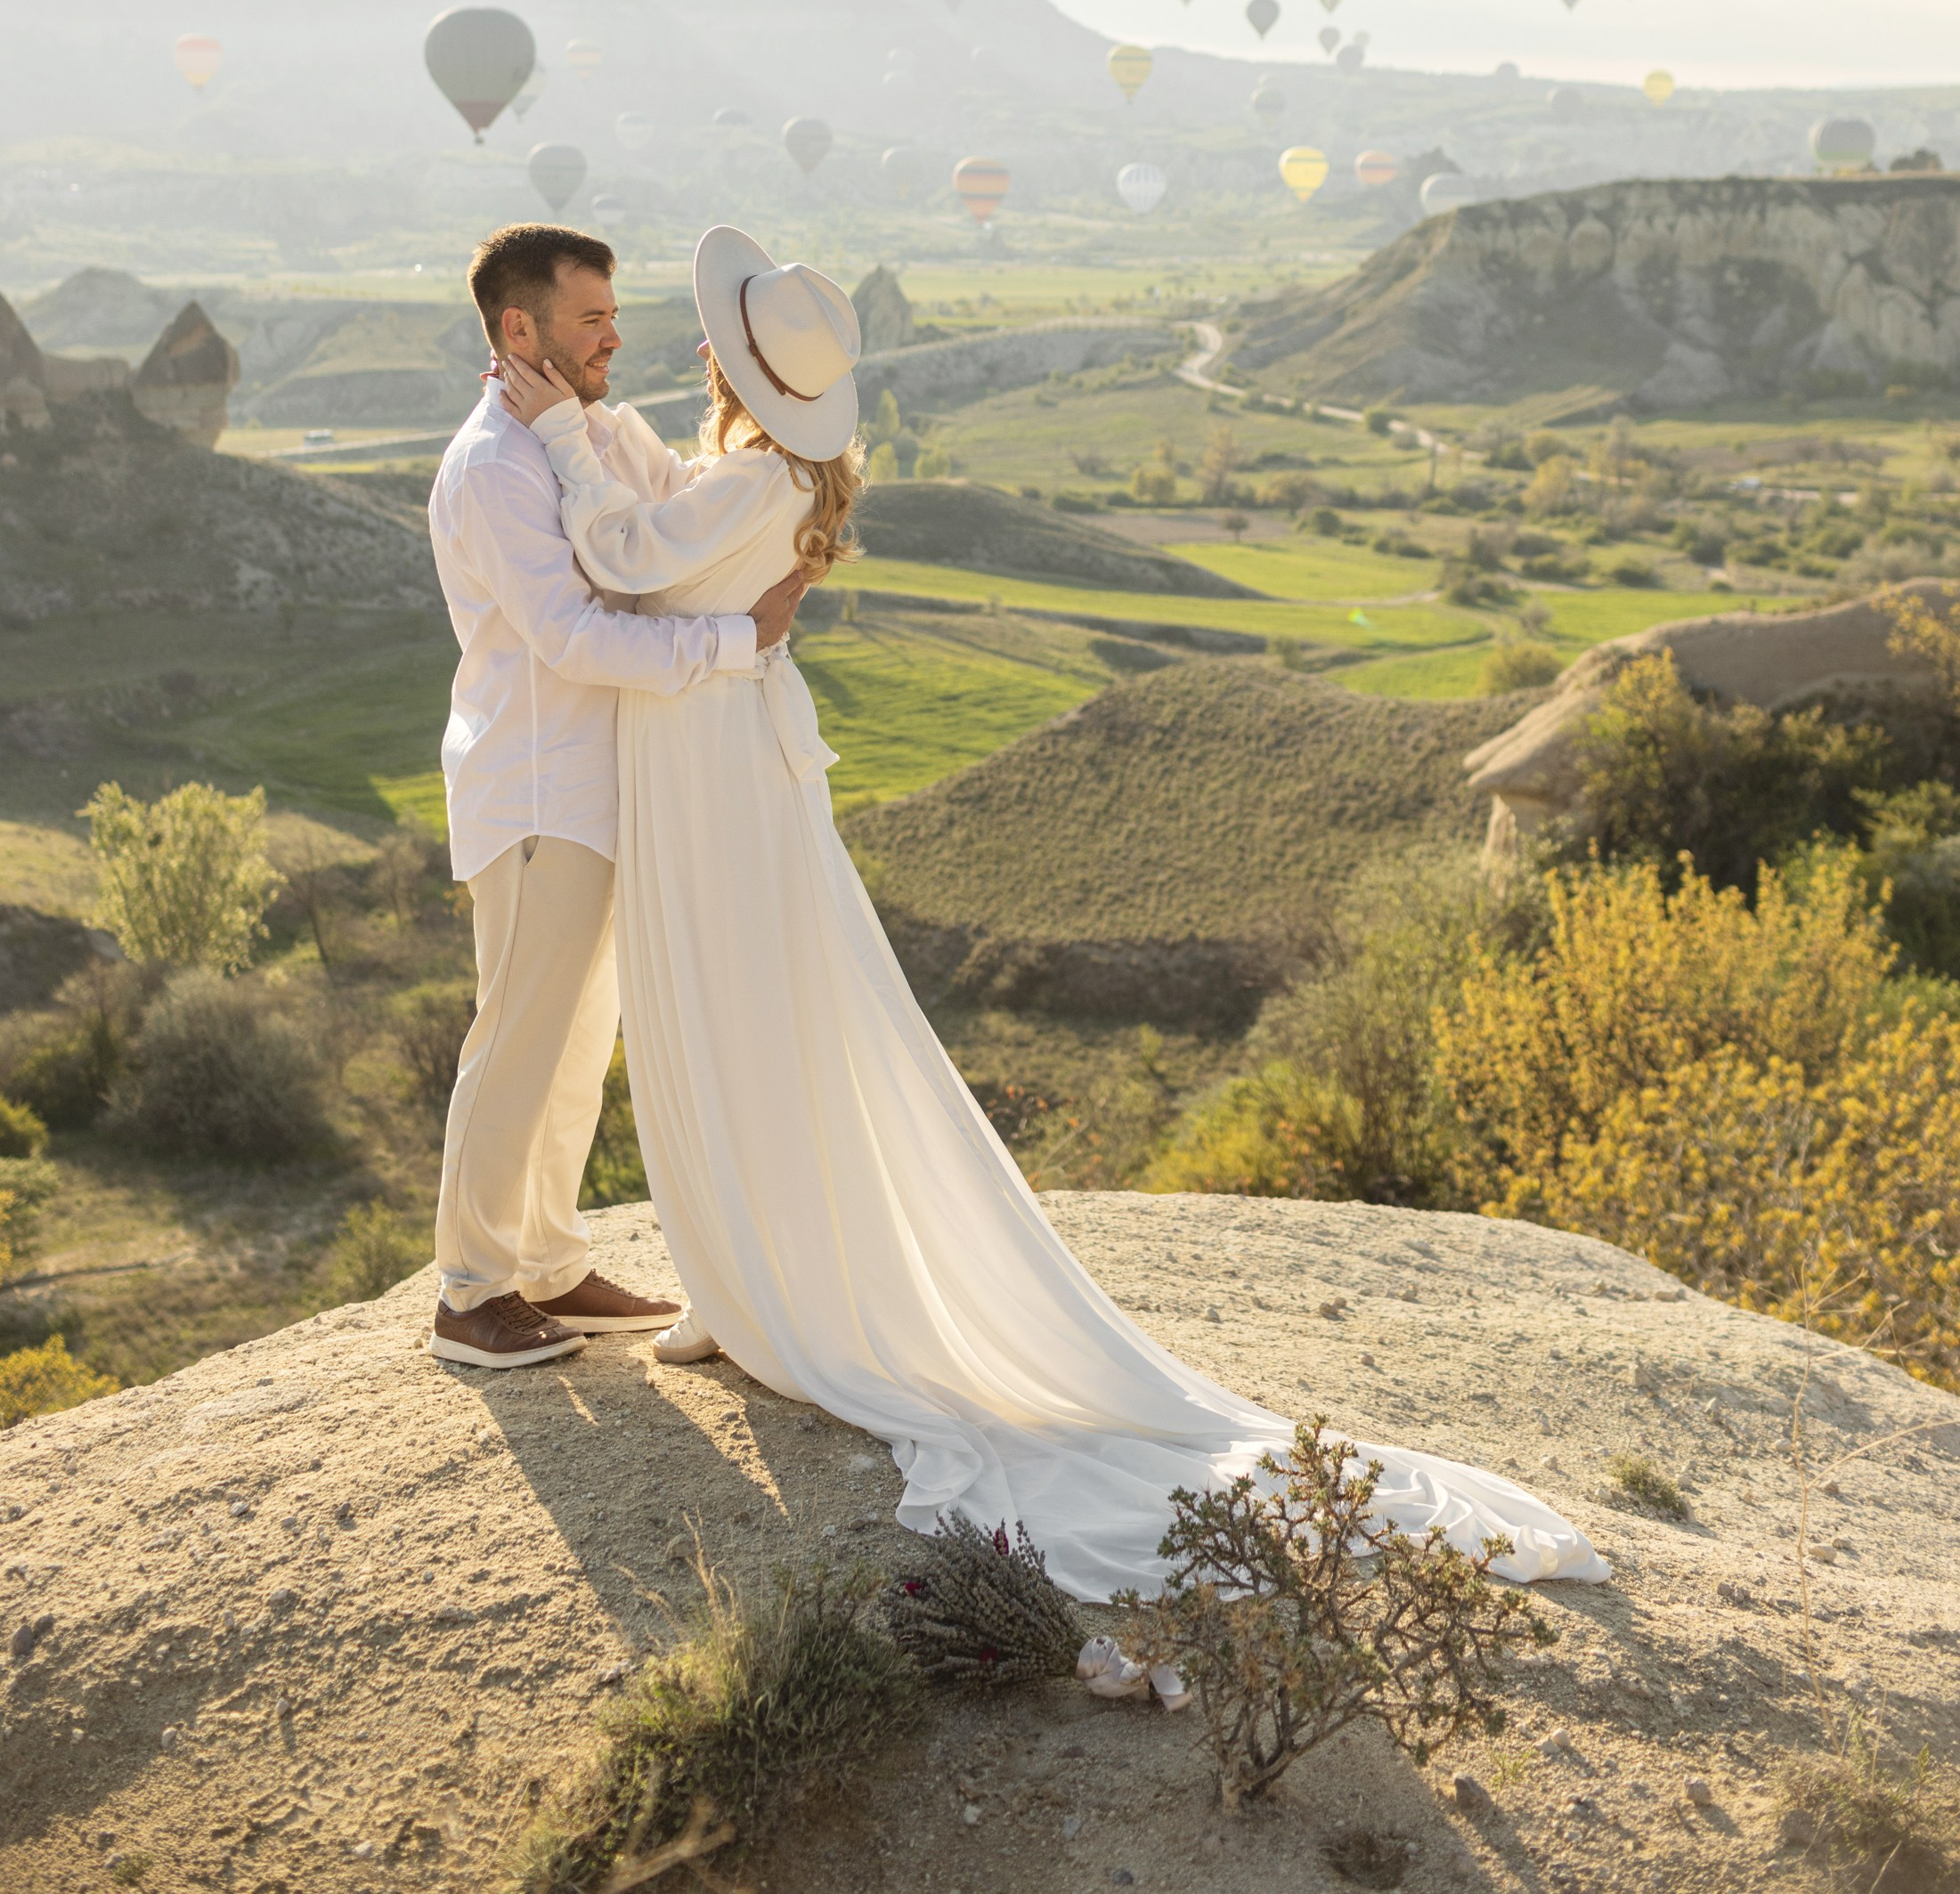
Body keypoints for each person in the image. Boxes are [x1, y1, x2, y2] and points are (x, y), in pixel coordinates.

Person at [494, 224, 1606, 1597]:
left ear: (741, 365)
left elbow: (617, 558)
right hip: (722, 749)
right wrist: (609, 447)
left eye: (713, 339)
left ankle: (760, 1296)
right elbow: (669, 522)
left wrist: (557, 435)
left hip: (708, 764)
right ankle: (742, 1285)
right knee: (746, 1006)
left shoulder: (738, 485)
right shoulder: (761, 476)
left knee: (719, 1003)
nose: (693, 346)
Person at [424, 223, 808, 1371]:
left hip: (606, 788)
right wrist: (736, 640)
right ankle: (469, 1290)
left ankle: (548, 1263)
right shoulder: (494, 468)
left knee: (579, 1041)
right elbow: (572, 636)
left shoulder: (583, 430)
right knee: (519, 1034)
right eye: (591, 317)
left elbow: (675, 513)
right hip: (540, 791)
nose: (613, 335)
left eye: (612, 313)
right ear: (518, 327)